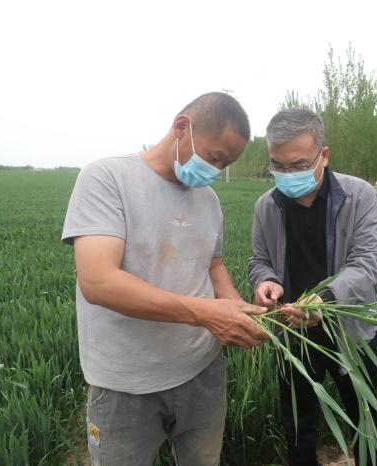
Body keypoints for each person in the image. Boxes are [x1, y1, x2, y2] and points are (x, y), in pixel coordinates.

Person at [61, 92, 268, 466]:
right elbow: (98, 281)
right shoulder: (108, 178)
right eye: (214, 156)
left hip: (202, 371)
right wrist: (206, 314)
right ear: (181, 127)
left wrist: (238, 308)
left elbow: (213, 266)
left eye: (226, 164)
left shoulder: (208, 200)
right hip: (126, 383)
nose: (215, 171)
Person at [248, 108, 377, 466]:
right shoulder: (267, 206)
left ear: (323, 155)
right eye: (278, 166)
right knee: (298, 425)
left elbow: (367, 262)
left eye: (298, 165)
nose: (287, 175)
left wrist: (323, 301)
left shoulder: (359, 197)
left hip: (350, 332)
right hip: (294, 331)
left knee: (364, 423)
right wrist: (265, 281)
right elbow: (259, 259)